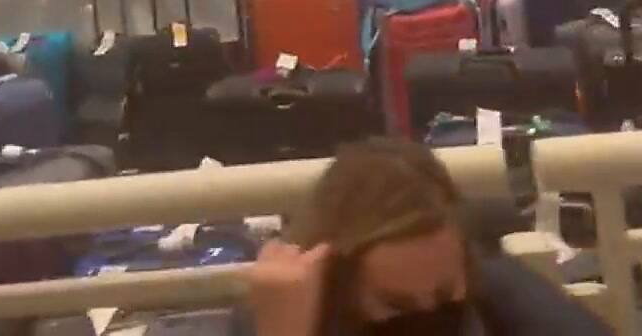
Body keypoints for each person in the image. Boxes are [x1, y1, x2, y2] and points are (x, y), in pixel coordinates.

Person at [248, 138, 610, 336]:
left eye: (444, 297)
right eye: (397, 307)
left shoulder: (499, 297)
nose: (428, 322)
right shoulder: (279, 318)